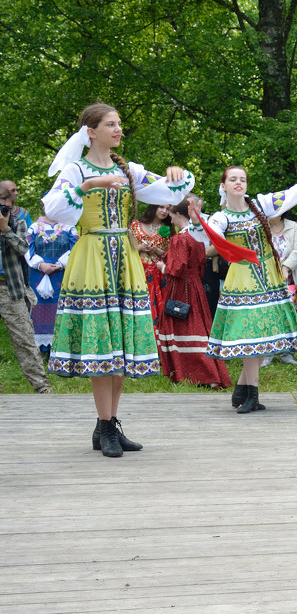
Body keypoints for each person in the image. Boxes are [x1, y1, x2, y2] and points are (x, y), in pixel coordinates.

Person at [43, 102, 195, 456]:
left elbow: (173, 192)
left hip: (124, 259)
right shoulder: (76, 169)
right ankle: (106, 425)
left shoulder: (129, 169)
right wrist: (88, 185)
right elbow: (54, 209)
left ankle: (107, 425)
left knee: (121, 341)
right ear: (91, 131)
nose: (118, 129)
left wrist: (177, 174)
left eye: (119, 123)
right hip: (93, 255)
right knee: (103, 342)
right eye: (110, 124)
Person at [188, 167, 297, 413]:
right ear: (223, 185)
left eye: (243, 179)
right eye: (233, 179)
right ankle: (252, 394)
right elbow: (209, 236)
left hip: (269, 276)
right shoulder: (221, 217)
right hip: (243, 280)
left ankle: (243, 388)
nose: (239, 183)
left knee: (263, 335)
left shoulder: (260, 204)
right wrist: (197, 222)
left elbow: (288, 196)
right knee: (251, 336)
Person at [157, 202, 232, 389]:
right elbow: (198, 262)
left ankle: (192, 373)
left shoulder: (179, 238)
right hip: (196, 285)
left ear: (179, 214)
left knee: (182, 327)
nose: (170, 218)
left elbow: (178, 268)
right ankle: (210, 374)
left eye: (172, 214)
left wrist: (163, 267)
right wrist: (162, 254)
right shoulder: (197, 236)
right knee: (200, 327)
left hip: (181, 288)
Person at [0, 202, 54, 394]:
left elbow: (25, 250)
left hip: (10, 288)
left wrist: (5, 229)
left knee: (24, 339)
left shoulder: (17, 223)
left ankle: (42, 386)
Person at [23, 215, 77, 353]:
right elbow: (27, 249)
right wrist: (40, 264)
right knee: (37, 308)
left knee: (60, 307)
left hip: (61, 273)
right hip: (38, 274)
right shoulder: (34, 228)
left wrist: (60, 264)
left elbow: (75, 250)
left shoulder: (69, 227)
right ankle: (38, 348)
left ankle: (59, 347)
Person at [261, 212, 297, 366]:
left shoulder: (292, 226)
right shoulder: (262, 227)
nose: (266, 215)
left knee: (288, 315)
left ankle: (287, 354)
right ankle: (268, 354)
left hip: (288, 278)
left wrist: (285, 267)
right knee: (269, 316)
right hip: (267, 279)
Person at [131, 204, 170, 323]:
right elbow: (126, 250)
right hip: (137, 270)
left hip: (158, 273)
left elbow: (170, 255)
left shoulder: (169, 229)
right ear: (153, 207)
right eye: (161, 207)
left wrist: (157, 250)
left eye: (168, 209)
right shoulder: (135, 225)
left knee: (159, 304)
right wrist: (139, 247)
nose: (164, 211)